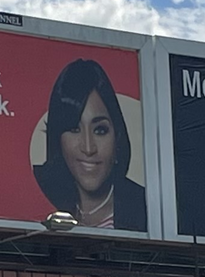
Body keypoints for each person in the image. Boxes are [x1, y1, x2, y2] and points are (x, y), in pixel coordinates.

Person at [33, 59, 148, 230]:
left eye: (100, 130)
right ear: (58, 138)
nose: (88, 148)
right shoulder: (35, 193)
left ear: (117, 136)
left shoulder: (146, 208)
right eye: (74, 129)